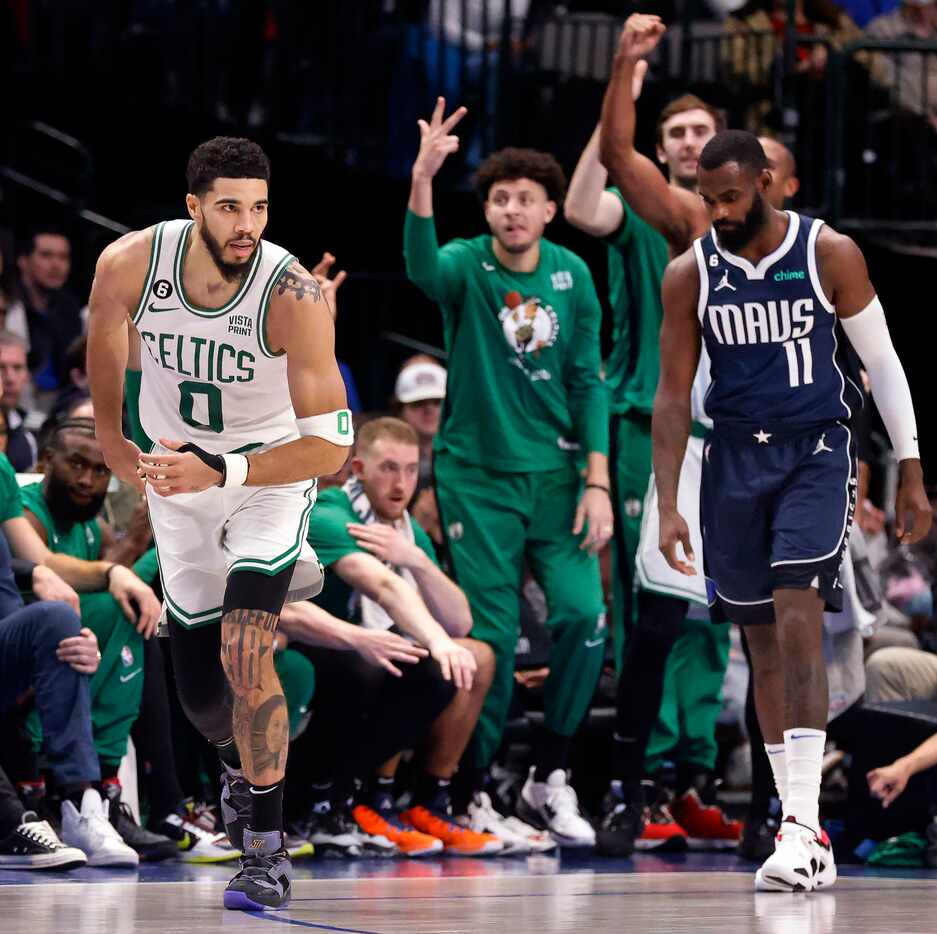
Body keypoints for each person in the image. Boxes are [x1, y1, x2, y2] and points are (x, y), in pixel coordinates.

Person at [652, 117, 930, 892]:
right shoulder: (689, 274)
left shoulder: (827, 251)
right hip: (732, 455)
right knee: (758, 641)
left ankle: (801, 824)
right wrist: (670, 500)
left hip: (815, 447)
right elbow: (672, 396)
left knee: (796, 603)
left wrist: (909, 467)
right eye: (707, 200)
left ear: (766, 183)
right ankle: (797, 821)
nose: (718, 212)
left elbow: (884, 363)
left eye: (731, 196)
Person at [87, 136, 357, 911]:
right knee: (204, 694)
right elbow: (106, 340)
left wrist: (228, 469)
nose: (248, 223)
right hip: (179, 479)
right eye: (231, 207)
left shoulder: (292, 294)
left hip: (269, 474)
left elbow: (333, 445)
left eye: (260, 207)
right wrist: (114, 440)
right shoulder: (129, 263)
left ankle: (266, 850)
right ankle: (237, 769)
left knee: (247, 642)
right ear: (194, 208)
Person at [405, 102, 612, 846]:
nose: (512, 209)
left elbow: (588, 381)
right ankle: (471, 788)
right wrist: (423, 179)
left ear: (551, 210)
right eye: (499, 197)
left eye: (526, 198)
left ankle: (547, 775)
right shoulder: (468, 263)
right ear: (487, 211)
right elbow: (420, 268)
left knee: (583, 617)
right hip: (477, 477)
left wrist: (597, 480)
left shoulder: (574, 276)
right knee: (490, 635)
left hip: (558, 480)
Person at [566, 21, 737, 856]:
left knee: (724, 613)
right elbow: (584, 197)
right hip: (650, 421)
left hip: (739, 437)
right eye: (677, 132)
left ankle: (694, 773)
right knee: (656, 604)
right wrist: (625, 73)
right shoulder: (658, 216)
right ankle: (641, 778)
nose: (689, 143)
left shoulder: (776, 239)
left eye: (701, 131)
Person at [19, 416, 176, 862]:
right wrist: (117, 572)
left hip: (73, 649)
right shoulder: (27, 510)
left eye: (100, 470)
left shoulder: (89, 525)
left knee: (132, 607)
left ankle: (103, 796)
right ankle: (82, 790)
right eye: (76, 465)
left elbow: (113, 567)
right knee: (116, 608)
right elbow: (52, 566)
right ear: (46, 462)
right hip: (26, 647)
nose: (88, 480)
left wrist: (141, 534)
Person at [9, 227, 84, 398]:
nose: (56, 265)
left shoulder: (71, 309)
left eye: (63, 257)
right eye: (46, 255)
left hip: (61, 402)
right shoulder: (9, 306)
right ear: (23, 261)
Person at [0, 331, 38, 470]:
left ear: (27, 375)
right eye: (1, 367)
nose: (10, 378)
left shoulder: (30, 435)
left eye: (17, 368)